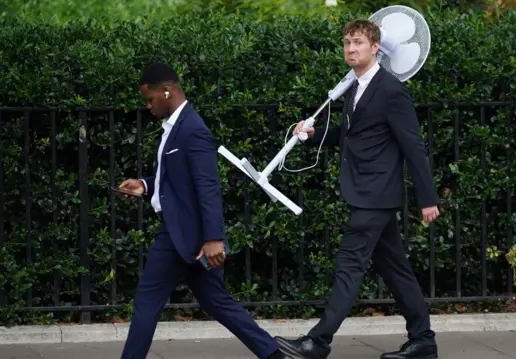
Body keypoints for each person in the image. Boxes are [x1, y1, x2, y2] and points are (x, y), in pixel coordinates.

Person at [273, 19, 440, 359]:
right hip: (367, 191)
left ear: (376, 47)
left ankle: (317, 342)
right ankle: (423, 339)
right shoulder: (355, 86)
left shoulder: (391, 90)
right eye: (347, 43)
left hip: (376, 194)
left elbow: (413, 147)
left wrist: (428, 199)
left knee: (349, 265)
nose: (351, 49)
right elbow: (352, 136)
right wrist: (312, 136)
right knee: (395, 268)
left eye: (358, 43)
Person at [118, 62, 293, 359]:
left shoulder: (193, 129)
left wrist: (213, 238)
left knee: (147, 301)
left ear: (167, 90)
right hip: (189, 233)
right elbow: (174, 181)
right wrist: (144, 186)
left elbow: (207, 186)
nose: (148, 106)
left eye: (150, 99)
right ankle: (273, 354)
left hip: (180, 235)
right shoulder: (175, 127)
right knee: (216, 302)